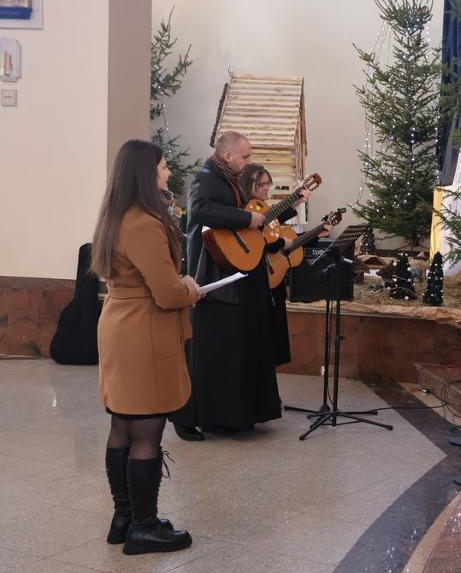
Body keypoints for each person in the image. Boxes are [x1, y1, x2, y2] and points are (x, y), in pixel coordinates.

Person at [92, 139, 198, 555]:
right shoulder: (143, 223)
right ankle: (144, 526)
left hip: (121, 324)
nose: (168, 172)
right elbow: (168, 293)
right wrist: (189, 287)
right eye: (163, 166)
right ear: (145, 173)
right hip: (143, 330)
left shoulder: (116, 215)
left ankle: (124, 517)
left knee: (123, 424)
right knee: (147, 429)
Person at [172, 131, 305, 440]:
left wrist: (290, 205)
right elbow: (200, 211)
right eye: (244, 156)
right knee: (210, 350)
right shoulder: (205, 178)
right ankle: (190, 417)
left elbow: (256, 219)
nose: (248, 161)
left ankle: (230, 415)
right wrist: (245, 220)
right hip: (213, 274)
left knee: (234, 349)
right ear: (227, 155)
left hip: (236, 270)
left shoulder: (230, 180)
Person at [239, 164, 330, 366]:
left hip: (274, 280)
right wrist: (282, 243)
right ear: (247, 185)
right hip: (256, 281)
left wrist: (313, 234)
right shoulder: (244, 213)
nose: (266, 188)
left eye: (268, 183)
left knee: (275, 338)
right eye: (260, 184)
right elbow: (267, 242)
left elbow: (279, 232)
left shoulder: (264, 211)